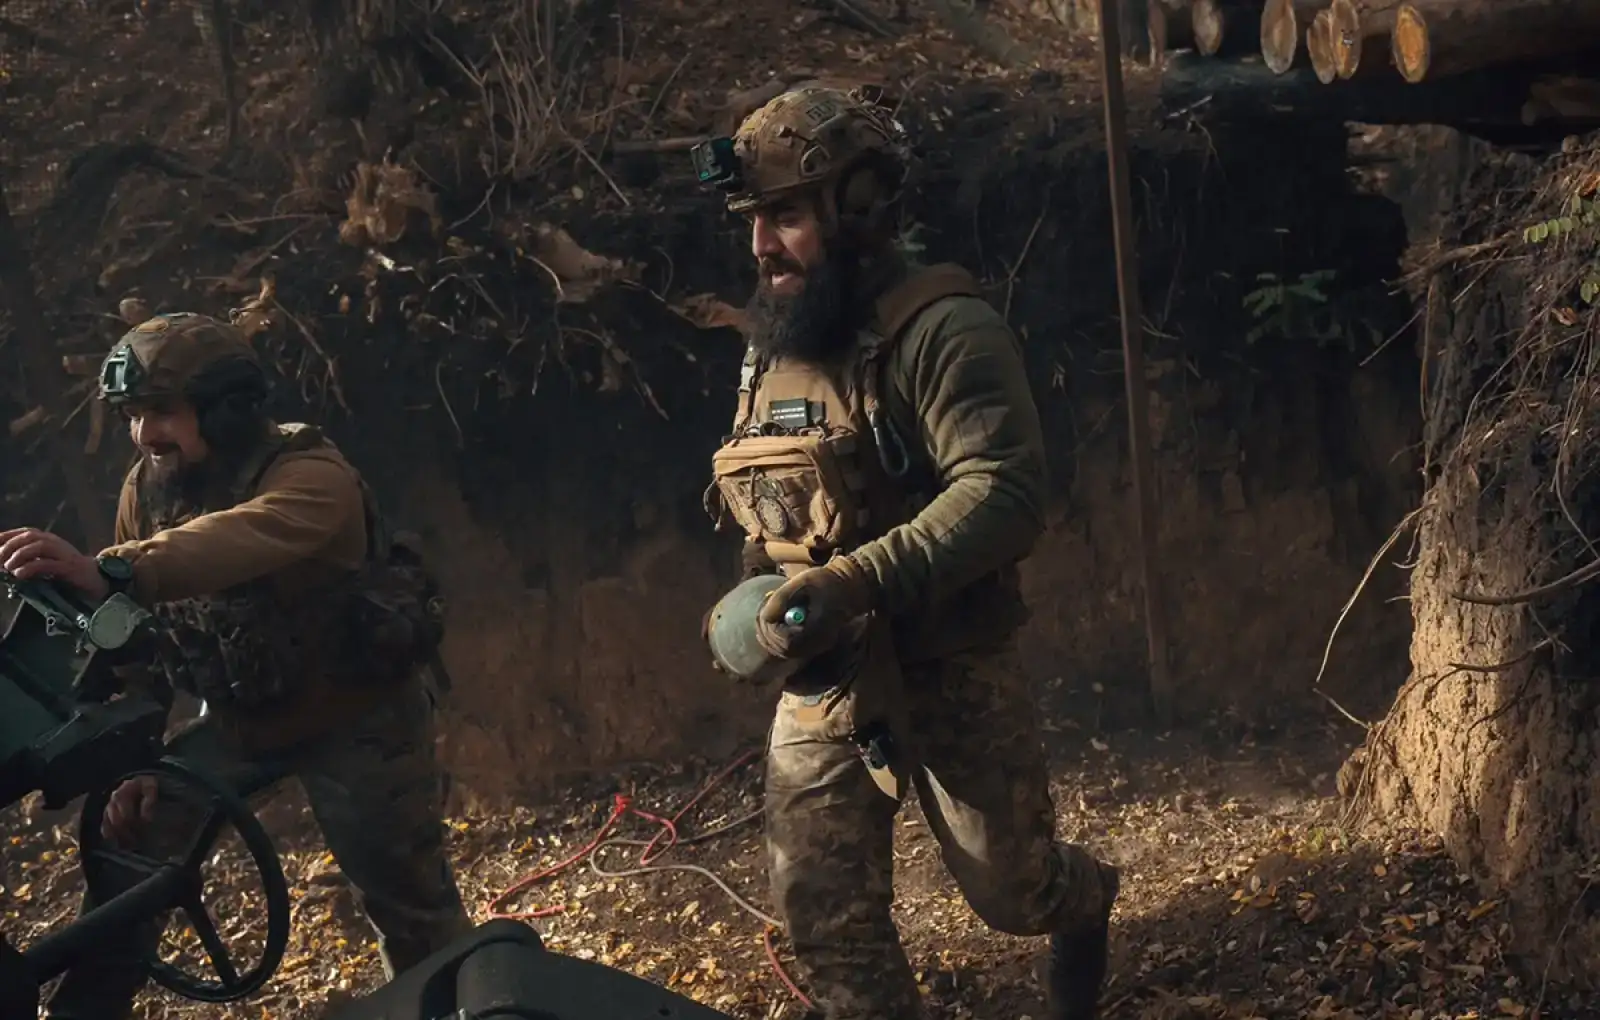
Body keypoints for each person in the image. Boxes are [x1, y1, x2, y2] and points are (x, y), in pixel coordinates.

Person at [698, 85, 1120, 1020]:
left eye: (786, 216)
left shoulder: (945, 331)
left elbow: (1004, 493)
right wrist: (759, 599)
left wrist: (851, 580)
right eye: (754, 220)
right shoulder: (775, 349)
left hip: (948, 657)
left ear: (857, 208)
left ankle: (1087, 903)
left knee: (1018, 892)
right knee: (824, 917)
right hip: (828, 671)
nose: (762, 245)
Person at [0, 312, 472, 1018]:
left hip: (357, 715)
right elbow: (141, 640)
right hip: (240, 718)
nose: (144, 434)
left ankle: (458, 1005)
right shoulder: (146, 491)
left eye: (162, 411)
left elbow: (239, 537)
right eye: (132, 416)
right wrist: (136, 761)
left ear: (224, 408)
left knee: (410, 907)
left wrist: (116, 569)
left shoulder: (312, 474)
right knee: (132, 857)